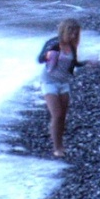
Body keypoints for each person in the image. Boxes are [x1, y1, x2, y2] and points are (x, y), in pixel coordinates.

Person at [38, 18, 82, 157]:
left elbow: (74, 63)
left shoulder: (72, 46)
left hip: (64, 82)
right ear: (64, 31)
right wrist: (47, 55)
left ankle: (60, 144)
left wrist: (88, 63)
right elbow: (39, 59)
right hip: (49, 82)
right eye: (71, 32)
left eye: (76, 33)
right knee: (56, 114)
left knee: (62, 116)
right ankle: (56, 148)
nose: (74, 36)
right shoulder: (53, 43)